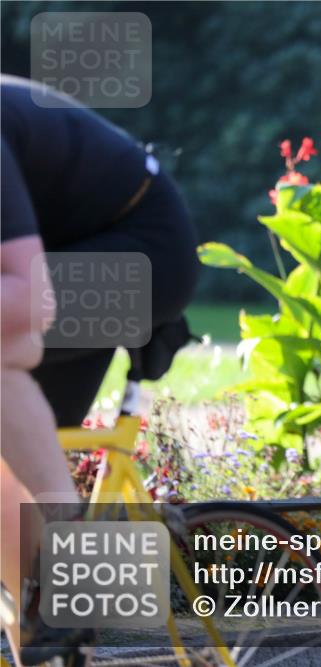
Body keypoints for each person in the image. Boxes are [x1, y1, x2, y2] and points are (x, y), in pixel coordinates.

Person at [1, 75, 199, 663]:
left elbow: (27, 300)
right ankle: (42, 629)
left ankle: (74, 561)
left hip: (143, 249)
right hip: (78, 250)